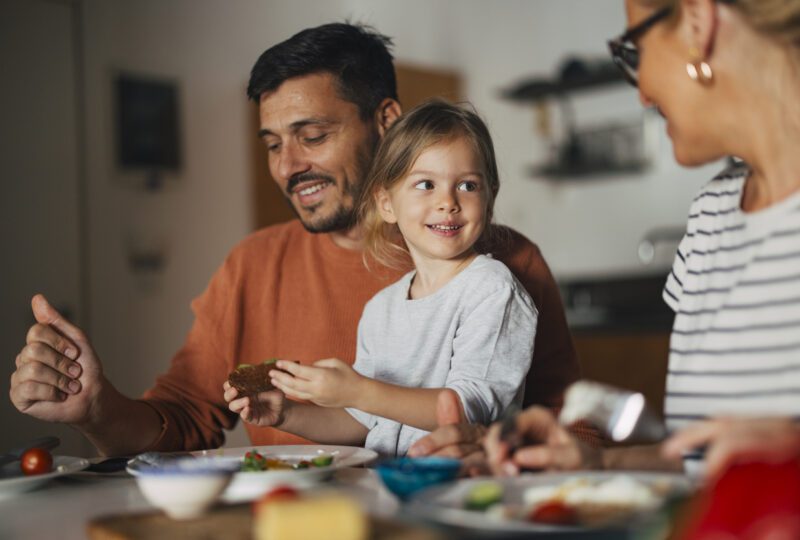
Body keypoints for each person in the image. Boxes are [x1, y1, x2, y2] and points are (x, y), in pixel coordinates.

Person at [9, 22, 581, 456]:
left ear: (385, 121)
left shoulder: (504, 263)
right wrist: (96, 407)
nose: (288, 167)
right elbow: (181, 421)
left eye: (312, 135)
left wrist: (499, 448)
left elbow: (572, 429)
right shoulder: (252, 267)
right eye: (273, 144)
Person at [484, 0, 800, 478]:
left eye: (636, 50)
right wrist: (597, 461)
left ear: (698, 21)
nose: (644, 97)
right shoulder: (712, 214)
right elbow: (700, 460)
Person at [224, 99, 537, 457]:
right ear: (386, 203)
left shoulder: (491, 288)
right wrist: (288, 414)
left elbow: (470, 409)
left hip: (463, 489)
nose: (447, 201)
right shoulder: (381, 308)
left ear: (490, 196)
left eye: (467, 186)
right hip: (388, 488)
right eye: (425, 185)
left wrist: (359, 390)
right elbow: (363, 421)